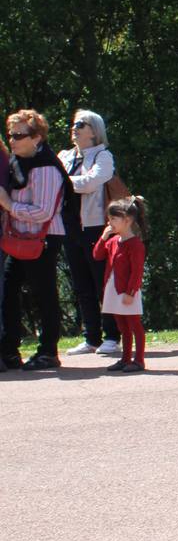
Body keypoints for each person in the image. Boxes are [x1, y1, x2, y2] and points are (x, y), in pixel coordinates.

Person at [0, 110, 75, 370]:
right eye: (10, 134)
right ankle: (9, 350)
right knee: (8, 291)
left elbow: (43, 211)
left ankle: (48, 351)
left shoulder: (45, 168)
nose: (12, 140)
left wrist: (9, 205)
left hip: (43, 239)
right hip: (20, 238)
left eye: (19, 135)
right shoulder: (18, 163)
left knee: (44, 295)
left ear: (37, 137)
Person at [60, 109, 122, 356]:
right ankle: (91, 338)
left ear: (94, 131)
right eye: (74, 124)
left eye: (80, 124)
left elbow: (92, 182)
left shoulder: (103, 155)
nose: (74, 128)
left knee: (102, 283)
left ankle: (112, 336)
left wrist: (65, 183)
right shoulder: (64, 156)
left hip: (96, 228)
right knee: (81, 285)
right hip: (69, 227)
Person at [93, 196, 149, 372]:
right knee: (122, 326)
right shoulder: (111, 242)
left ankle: (138, 360)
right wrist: (103, 237)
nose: (110, 223)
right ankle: (125, 359)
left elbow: (137, 271)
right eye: (109, 219)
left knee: (134, 325)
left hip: (127, 291)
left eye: (113, 219)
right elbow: (97, 255)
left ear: (128, 220)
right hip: (113, 289)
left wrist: (130, 292)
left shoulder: (136, 245)